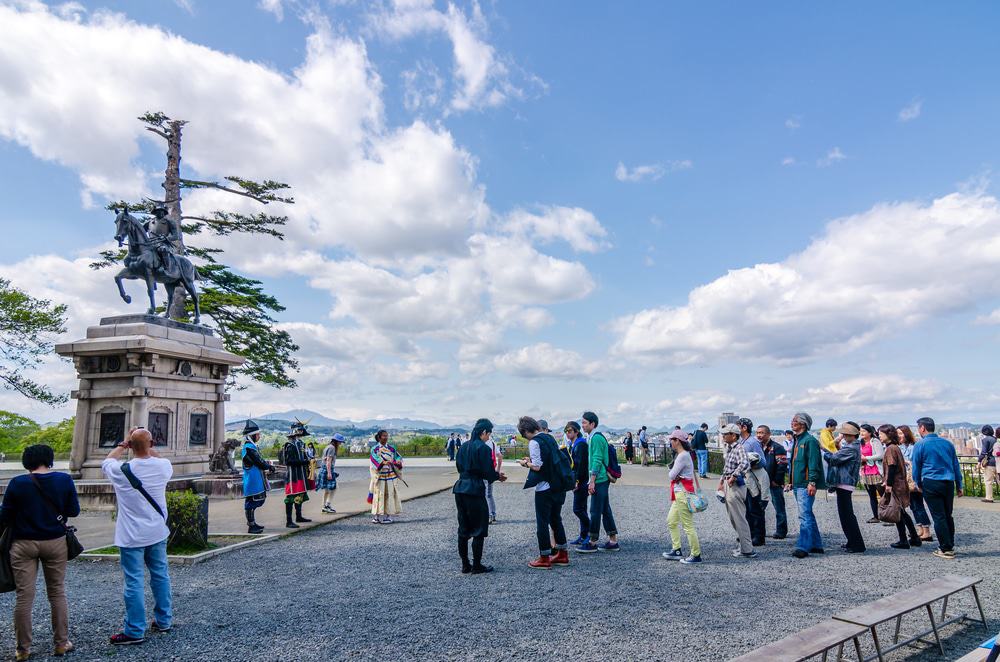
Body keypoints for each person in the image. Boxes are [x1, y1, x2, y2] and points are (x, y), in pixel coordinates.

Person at [0, 444, 79, 660]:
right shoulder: (64, 480)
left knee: (24, 596)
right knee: (57, 592)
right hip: (55, 541)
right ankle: (61, 643)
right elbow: (74, 511)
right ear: (49, 459)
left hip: (23, 543)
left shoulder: (17, 483)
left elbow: (5, 516)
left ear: (27, 461)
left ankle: (22, 649)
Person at [102, 428, 173, 645]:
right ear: (152, 444)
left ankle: (135, 629)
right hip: (157, 531)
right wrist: (145, 445)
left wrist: (123, 444)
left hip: (131, 535)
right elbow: (157, 457)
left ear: (131, 446)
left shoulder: (121, 470)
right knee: (160, 575)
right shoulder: (164, 467)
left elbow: (107, 461)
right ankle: (164, 620)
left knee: (133, 580)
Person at [453, 419, 506, 574]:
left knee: (463, 528)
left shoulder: (463, 447)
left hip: (460, 487)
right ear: (483, 432)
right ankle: (477, 565)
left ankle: (465, 564)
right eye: (488, 434)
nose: (488, 437)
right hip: (475, 489)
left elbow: (459, 467)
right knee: (479, 528)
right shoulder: (483, 448)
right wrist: (498, 476)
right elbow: (488, 472)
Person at [518, 416, 569, 569]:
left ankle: (544, 557)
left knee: (542, 522)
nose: (525, 438)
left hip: (544, 487)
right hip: (558, 485)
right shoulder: (549, 438)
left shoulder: (534, 442)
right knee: (556, 519)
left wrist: (526, 463)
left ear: (526, 431)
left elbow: (537, 466)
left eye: (524, 434)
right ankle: (562, 553)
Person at [911, 417, 963, 559]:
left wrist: (918, 483)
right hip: (948, 482)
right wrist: (959, 484)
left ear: (922, 428)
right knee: (947, 515)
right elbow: (955, 465)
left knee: (938, 516)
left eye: (918, 428)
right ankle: (950, 544)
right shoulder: (947, 444)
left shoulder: (920, 445)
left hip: (931, 481)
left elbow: (916, 467)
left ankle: (945, 548)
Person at [577, 412, 620, 553]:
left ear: (592, 424)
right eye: (582, 422)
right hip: (602, 478)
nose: (582, 425)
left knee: (595, 510)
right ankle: (613, 540)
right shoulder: (595, 436)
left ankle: (592, 541)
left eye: (585, 423)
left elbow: (596, 459)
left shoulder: (595, 438)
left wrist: (592, 481)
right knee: (605, 509)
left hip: (599, 479)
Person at [822, 423, 866, 553]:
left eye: (845, 434)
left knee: (847, 515)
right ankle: (851, 542)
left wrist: (823, 450)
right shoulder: (853, 446)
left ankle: (857, 545)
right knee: (846, 515)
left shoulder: (851, 448)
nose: (843, 436)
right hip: (845, 482)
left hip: (844, 482)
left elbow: (834, 459)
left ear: (851, 435)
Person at [662, 430, 702, 564]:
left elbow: (671, 475)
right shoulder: (684, 455)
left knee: (688, 525)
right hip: (681, 492)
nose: (670, 442)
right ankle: (676, 549)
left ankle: (696, 554)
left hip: (682, 493)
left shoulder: (682, 456)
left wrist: (673, 472)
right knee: (671, 521)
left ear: (677, 441)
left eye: (672, 440)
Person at [788, 412, 825, 559]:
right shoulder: (798, 440)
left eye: (795, 420)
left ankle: (804, 546)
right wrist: (791, 481)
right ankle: (816, 544)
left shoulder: (809, 441)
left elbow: (813, 463)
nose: (792, 422)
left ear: (803, 423)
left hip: (805, 484)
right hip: (798, 483)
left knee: (804, 515)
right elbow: (794, 463)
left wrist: (812, 482)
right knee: (807, 514)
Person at [879, 424, 922, 550]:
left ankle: (904, 540)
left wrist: (889, 484)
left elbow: (892, 466)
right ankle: (914, 537)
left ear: (888, 435)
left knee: (897, 512)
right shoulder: (895, 447)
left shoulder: (891, 449)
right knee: (901, 512)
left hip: (896, 485)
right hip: (900, 484)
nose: (879, 436)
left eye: (881, 434)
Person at [718, 424, 755, 558]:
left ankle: (747, 549)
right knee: (735, 518)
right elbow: (728, 467)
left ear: (733, 435)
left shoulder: (738, 448)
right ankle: (744, 547)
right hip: (730, 484)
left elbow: (745, 463)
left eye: (725, 434)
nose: (723, 436)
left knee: (739, 518)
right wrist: (722, 481)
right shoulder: (730, 448)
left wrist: (733, 476)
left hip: (735, 485)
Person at [899, 424, 933, 541]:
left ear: (906, 434)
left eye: (900, 433)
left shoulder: (914, 447)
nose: (899, 436)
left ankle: (927, 531)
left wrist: (906, 462)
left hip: (914, 479)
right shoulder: (901, 447)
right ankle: (920, 529)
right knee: (913, 506)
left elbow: (916, 462)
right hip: (906, 480)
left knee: (918, 505)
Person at [738, 418, 767, 547]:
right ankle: (749, 534)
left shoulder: (753, 442)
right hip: (744, 479)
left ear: (744, 428)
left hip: (753, 479)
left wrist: (751, 461)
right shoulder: (742, 441)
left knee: (755, 508)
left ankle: (759, 537)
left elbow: (763, 461)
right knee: (747, 509)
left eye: (738, 426)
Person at [240, 420, 273, 533]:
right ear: (252, 436)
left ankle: (253, 523)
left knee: (256, 501)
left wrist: (267, 466)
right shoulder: (249, 448)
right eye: (257, 434)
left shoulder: (251, 447)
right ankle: (251, 526)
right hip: (252, 480)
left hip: (255, 479)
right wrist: (269, 466)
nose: (259, 436)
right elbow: (258, 462)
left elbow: (259, 461)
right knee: (251, 502)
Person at [281, 421, 314, 528]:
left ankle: (298, 516)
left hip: (301, 474)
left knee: (300, 494)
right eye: (299, 430)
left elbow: (303, 457)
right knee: (291, 497)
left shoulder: (300, 444)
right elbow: (288, 461)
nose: (300, 432)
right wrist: (304, 462)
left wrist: (308, 461)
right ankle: (289, 521)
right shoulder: (289, 445)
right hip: (292, 476)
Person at [758, 425, 788, 539]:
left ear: (769, 434)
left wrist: (777, 480)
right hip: (761, 483)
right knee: (759, 508)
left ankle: (781, 531)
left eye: (762, 433)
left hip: (774, 484)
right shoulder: (757, 447)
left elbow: (782, 465)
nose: (759, 435)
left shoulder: (777, 447)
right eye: (758, 433)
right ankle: (759, 531)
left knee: (779, 508)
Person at [369, 430, 403, 524]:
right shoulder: (374, 449)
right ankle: (376, 516)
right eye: (384, 436)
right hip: (380, 475)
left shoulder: (392, 448)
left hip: (390, 475)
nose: (386, 437)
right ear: (379, 437)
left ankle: (388, 516)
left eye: (387, 436)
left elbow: (398, 457)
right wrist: (383, 462)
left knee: (390, 495)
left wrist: (398, 460)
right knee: (378, 495)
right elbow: (374, 460)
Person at [564, 421, 590, 545]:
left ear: (577, 431)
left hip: (582, 481)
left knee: (577, 509)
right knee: (582, 508)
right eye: (566, 431)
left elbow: (581, 466)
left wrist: (576, 482)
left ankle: (591, 530)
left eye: (570, 431)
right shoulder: (574, 444)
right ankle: (584, 535)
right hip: (580, 480)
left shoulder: (581, 444)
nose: (567, 433)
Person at [857, 424, 885, 523]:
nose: (861, 433)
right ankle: (876, 516)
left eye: (864, 431)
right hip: (865, 471)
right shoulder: (860, 443)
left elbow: (880, 455)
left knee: (883, 495)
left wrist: (866, 458)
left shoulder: (875, 441)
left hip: (876, 471)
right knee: (872, 496)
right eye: (860, 431)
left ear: (869, 432)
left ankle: (887, 516)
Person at [316, 434, 344, 514]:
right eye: (340, 442)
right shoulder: (332, 448)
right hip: (327, 469)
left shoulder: (328, 447)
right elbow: (328, 460)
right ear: (336, 441)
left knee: (327, 490)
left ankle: (324, 506)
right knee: (334, 488)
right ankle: (327, 505)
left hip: (324, 469)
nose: (340, 443)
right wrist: (329, 473)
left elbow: (325, 459)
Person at [484, 427, 501, 523]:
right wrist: (498, 470)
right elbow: (500, 456)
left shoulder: (483, 444)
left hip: (484, 471)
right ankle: (493, 514)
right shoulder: (493, 443)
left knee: (484, 494)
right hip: (492, 471)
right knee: (489, 494)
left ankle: (489, 514)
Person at [978, 425, 997, 503]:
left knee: (988, 481)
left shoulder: (985, 440)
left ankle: (989, 498)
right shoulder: (996, 439)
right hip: (998, 461)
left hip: (990, 462)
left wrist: (979, 461)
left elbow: (983, 452)